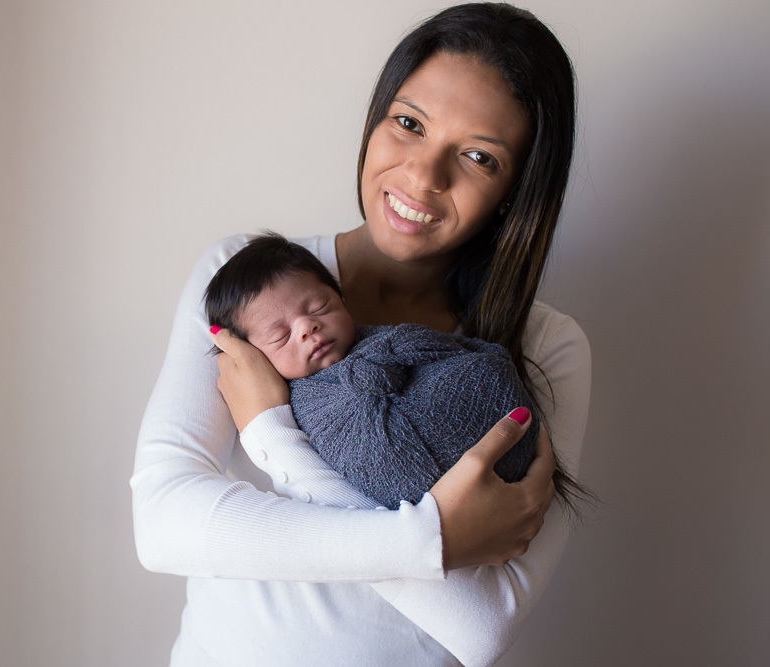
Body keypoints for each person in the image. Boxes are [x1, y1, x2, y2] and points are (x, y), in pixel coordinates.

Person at [131, 4, 591, 665]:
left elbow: (483, 627)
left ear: (517, 189)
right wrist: (431, 542)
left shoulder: (547, 348)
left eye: (478, 157)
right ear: (377, 117)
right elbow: (163, 524)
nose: (423, 177)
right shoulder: (247, 282)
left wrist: (272, 435)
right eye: (409, 124)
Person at [204, 231, 542, 510]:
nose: (308, 326)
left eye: (320, 307)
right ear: (249, 356)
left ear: (343, 300)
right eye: (280, 335)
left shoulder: (385, 339)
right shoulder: (301, 404)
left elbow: (456, 354)